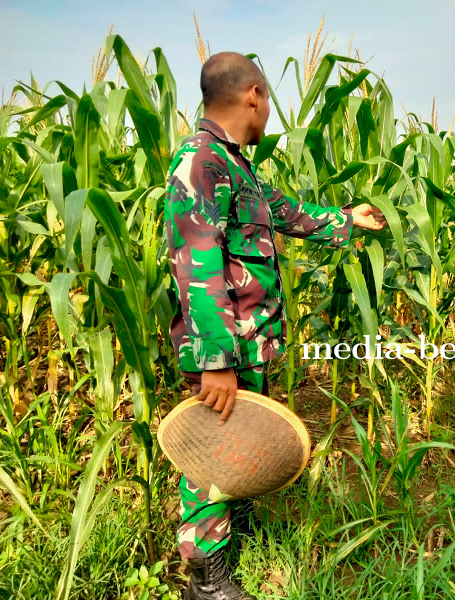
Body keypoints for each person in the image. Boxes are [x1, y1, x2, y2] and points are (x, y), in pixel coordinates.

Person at [164, 52, 386, 600]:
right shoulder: (200, 161)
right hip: (226, 351)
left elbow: (281, 211)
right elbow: (198, 264)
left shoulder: (234, 164)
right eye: (268, 102)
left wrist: (343, 219)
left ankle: (229, 545)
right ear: (253, 95)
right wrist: (215, 362)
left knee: (234, 450)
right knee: (213, 458)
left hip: (248, 345)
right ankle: (207, 583)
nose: (270, 113)